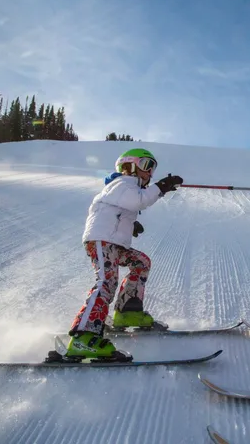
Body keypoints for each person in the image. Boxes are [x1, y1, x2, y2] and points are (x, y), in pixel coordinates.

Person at [65, 148, 183, 360]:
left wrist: (129, 224)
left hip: (113, 242)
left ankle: (128, 311)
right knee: (106, 282)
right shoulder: (122, 182)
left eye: (153, 169)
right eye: (147, 166)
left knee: (141, 262)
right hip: (101, 240)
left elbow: (124, 207)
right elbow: (138, 201)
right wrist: (162, 186)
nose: (150, 173)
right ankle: (83, 337)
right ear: (128, 165)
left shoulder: (128, 188)